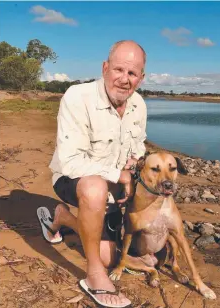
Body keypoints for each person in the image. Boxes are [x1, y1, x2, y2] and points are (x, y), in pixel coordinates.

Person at [40, 40, 147, 308]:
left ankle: (63, 217)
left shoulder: (139, 105)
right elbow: (71, 161)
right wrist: (118, 175)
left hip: (111, 190)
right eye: (118, 70)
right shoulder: (77, 97)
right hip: (72, 180)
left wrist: (131, 173)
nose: (124, 79)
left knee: (109, 256)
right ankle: (93, 276)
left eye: (132, 74)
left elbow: (137, 149)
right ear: (105, 68)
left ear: (141, 78)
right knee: (94, 188)